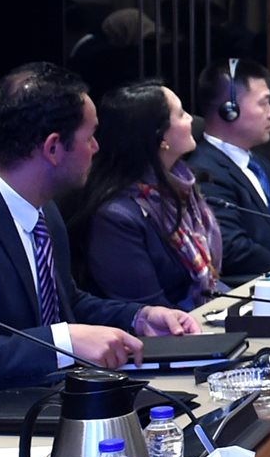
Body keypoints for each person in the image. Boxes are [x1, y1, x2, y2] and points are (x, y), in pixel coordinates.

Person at [0, 64, 201, 408]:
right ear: (53, 147)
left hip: (48, 404)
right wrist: (60, 343)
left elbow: (66, 304)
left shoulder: (43, 208)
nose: (96, 147)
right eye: (89, 137)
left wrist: (138, 317)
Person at [70, 82, 225, 311]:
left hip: (203, 315)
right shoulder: (116, 217)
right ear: (161, 137)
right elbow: (147, 307)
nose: (192, 119)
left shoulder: (182, 186)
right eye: (181, 113)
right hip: (161, 328)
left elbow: (212, 283)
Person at [187, 59, 270, 285]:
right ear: (230, 110)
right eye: (263, 104)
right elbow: (232, 248)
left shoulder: (257, 161)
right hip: (267, 285)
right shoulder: (205, 172)